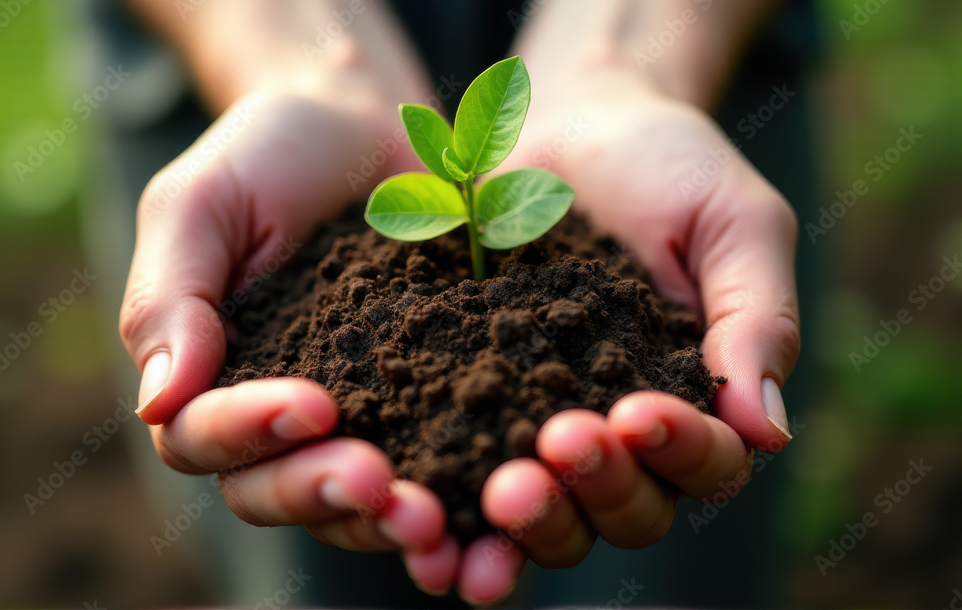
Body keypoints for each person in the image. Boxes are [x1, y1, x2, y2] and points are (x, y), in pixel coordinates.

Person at [117, 0, 802, 604]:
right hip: (207, 50)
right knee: (311, 580)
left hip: (710, 39)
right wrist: (292, 50)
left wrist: (627, 54)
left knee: (671, 580)